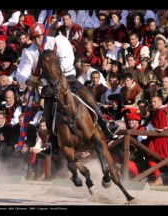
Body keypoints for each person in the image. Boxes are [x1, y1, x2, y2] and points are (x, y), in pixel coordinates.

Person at [16, 22, 120, 155]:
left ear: (45, 34)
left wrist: (52, 74)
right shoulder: (29, 52)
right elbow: (20, 73)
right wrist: (28, 81)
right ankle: (53, 142)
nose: (38, 40)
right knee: (47, 109)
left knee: (87, 95)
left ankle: (104, 123)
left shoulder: (58, 41)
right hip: (48, 85)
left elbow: (68, 60)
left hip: (67, 78)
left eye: (40, 36)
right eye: (34, 37)